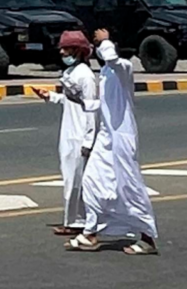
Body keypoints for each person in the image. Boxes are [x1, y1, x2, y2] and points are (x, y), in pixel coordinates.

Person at [64, 29, 159, 256]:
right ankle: (90, 233)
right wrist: (72, 99)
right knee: (92, 183)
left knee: (128, 187)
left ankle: (147, 238)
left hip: (122, 139)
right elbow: (103, 106)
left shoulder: (123, 68)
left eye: (101, 46)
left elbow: (113, 59)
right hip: (106, 139)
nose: (98, 49)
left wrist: (105, 40)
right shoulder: (106, 72)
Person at [34, 30, 98, 236]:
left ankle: (78, 221)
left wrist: (89, 140)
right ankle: (75, 219)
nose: (62, 52)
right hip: (68, 132)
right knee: (70, 177)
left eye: (66, 48)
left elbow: (91, 109)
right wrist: (51, 96)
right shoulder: (70, 73)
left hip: (80, 134)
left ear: (78, 51)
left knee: (76, 179)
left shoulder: (86, 76)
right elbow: (71, 102)